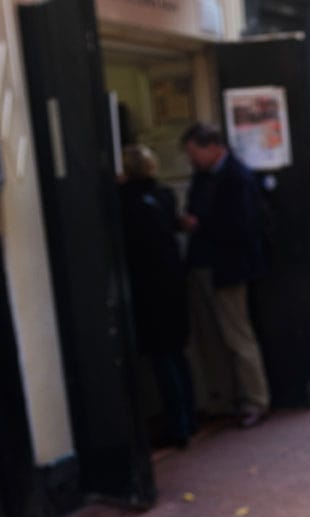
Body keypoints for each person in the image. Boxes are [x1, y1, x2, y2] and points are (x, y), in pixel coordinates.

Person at [180, 122, 271, 429]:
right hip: (207, 264)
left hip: (229, 267)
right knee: (211, 337)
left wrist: (200, 225)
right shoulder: (205, 176)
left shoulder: (236, 178)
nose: (192, 160)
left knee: (237, 334)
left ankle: (255, 399)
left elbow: (243, 225)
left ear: (212, 147)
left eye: (195, 153)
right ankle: (223, 398)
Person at [117, 145, 196, 448]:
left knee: (164, 358)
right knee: (176, 354)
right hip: (172, 281)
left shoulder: (126, 201)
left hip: (148, 288)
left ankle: (178, 425)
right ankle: (186, 418)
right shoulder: (164, 196)